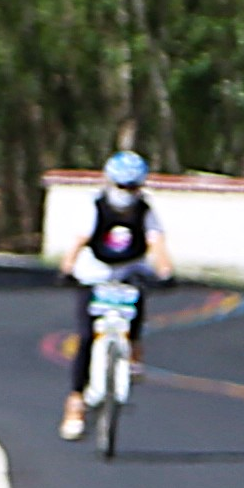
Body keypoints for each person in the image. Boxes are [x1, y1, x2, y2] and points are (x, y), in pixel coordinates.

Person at [59, 149, 161, 441]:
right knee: (86, 336)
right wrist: (67, 269)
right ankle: (75, 403)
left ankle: (133, 355)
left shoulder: (145, 210)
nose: (126, 192)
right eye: (121, 185)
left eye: (132, 186)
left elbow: (157, 241)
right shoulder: (94, 205)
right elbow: (79, 240)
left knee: (137, 310)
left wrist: (165, 272)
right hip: (94, 273)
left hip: (130, 270)